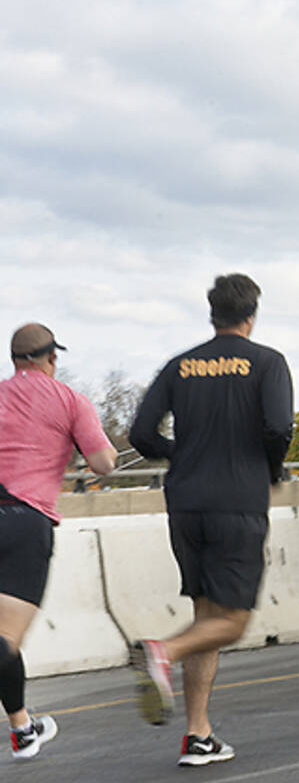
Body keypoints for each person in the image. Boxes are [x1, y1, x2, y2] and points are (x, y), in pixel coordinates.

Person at [127, 274, 295, 766]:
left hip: (185, 501)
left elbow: (140, 432)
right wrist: (270, 467)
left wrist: (181, 453)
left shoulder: (180, 365)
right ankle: (162, 652)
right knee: (233, 622)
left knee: (207, 615)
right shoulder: (268, 363)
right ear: (252, 313)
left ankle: (198, 735)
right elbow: (279, 425)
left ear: (212, 312)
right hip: (237, 500)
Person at [2, 325, 116, 760]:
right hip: (25, 521)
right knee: (5, 641)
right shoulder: (70, 400)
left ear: (15, 360)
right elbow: (104, 464)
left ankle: (22, 728)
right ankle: (23, 730)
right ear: (51, 358)